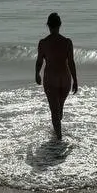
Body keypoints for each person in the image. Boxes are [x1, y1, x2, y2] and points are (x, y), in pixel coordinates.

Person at [35, 12, 78, 140]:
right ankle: (58, 137)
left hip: (51, 79)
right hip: (65, 79)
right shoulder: (67, 42)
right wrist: (75, 80)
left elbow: (39, 61)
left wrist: (37, 74)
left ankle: (58, 141)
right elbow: (71, 62)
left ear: (48, 25)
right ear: (60, 25)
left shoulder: (43, 43)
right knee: (59, 109)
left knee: (55, 111)